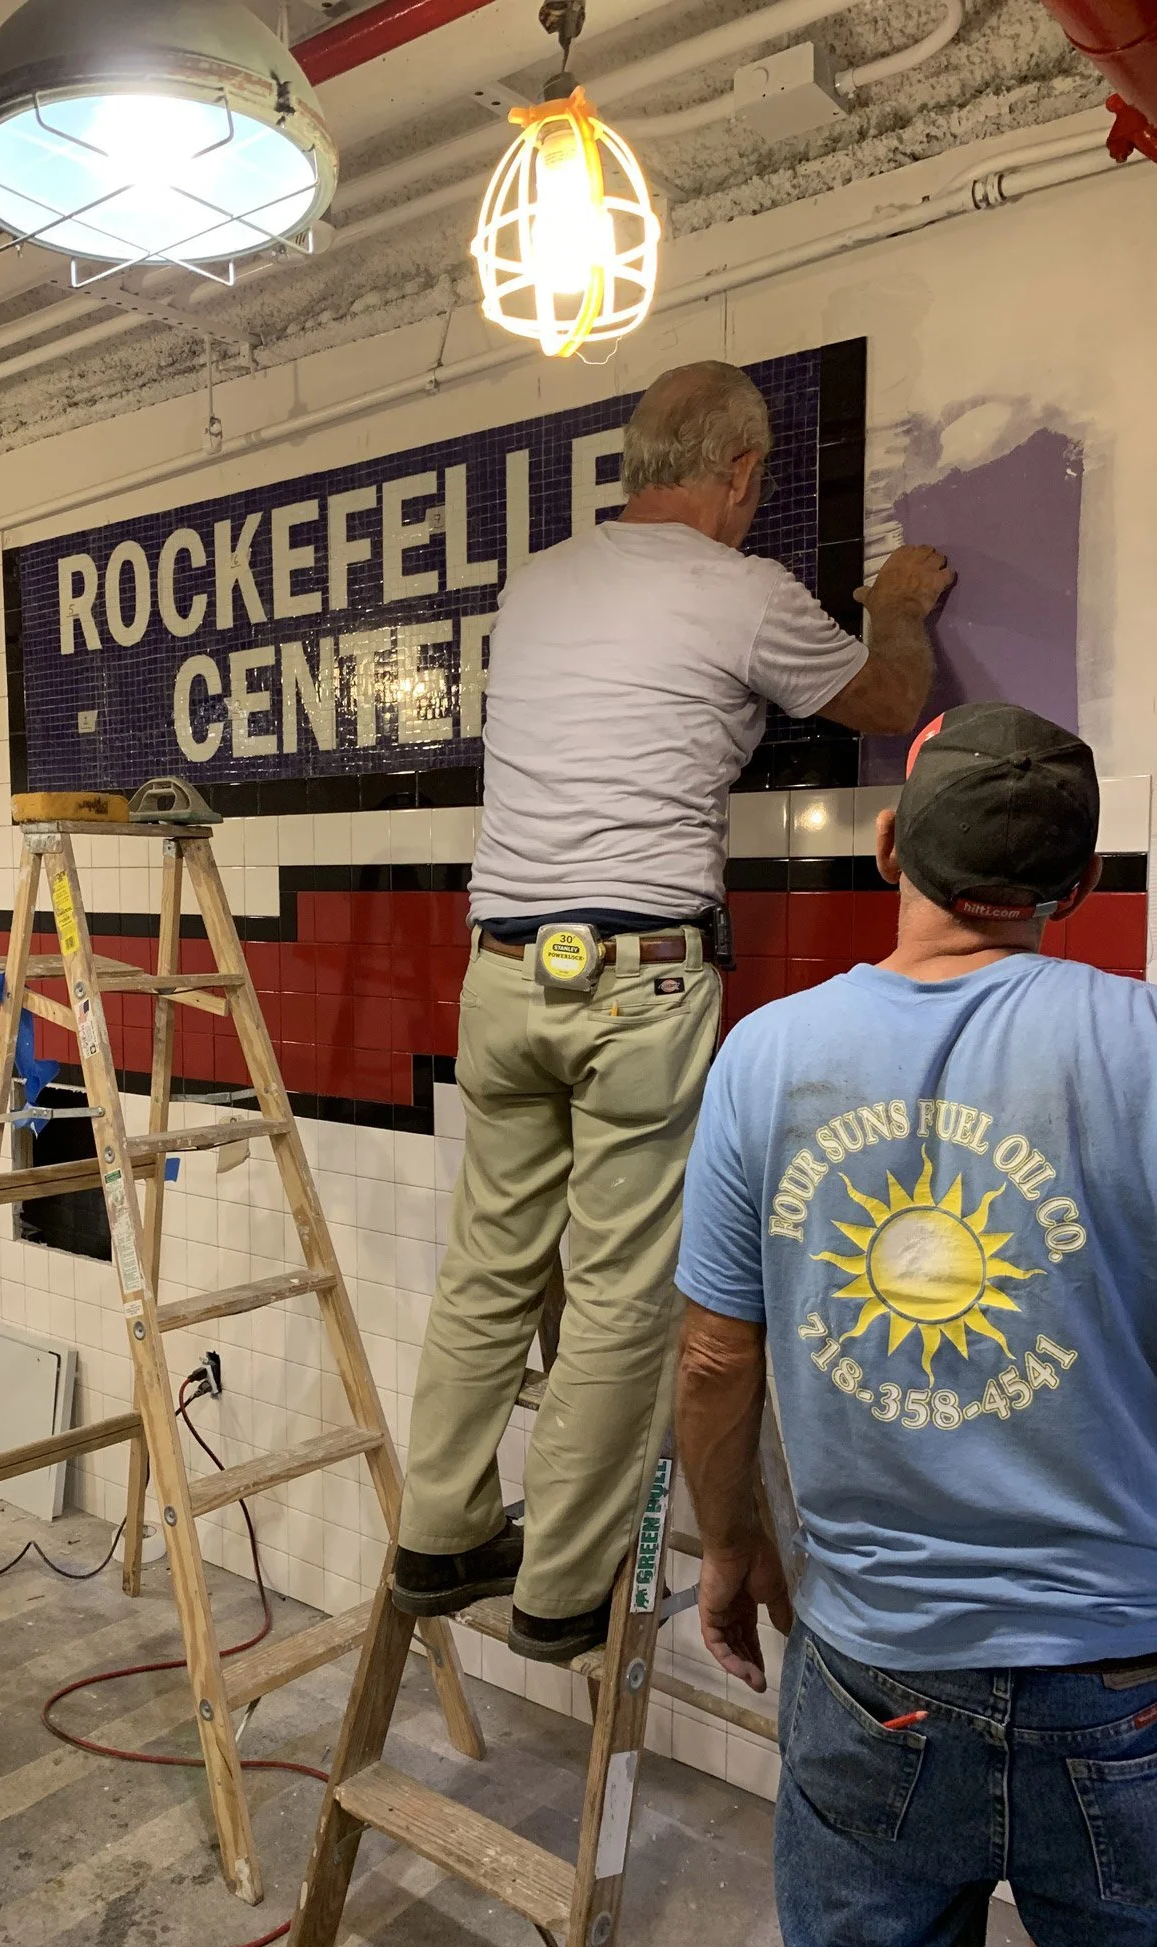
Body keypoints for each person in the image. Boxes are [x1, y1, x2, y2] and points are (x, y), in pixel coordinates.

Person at [392, 356, 953, 1662]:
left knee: (490, 1265)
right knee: (619, 1291)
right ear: (741, 471)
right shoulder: (740, 590)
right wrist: (897, 610)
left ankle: (436, 1536)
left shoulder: (539, 582)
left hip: (503, 971)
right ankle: (561, 1594)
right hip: (636, 979)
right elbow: (883, 702)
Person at [675, 702, 1157, 1947]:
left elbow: (713, 1361)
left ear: (888, 846)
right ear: (1080, 884)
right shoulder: (1146, 1046)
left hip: (875, 1666)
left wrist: (730, 1548)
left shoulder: (765, 1055)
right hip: (1123, 1675)